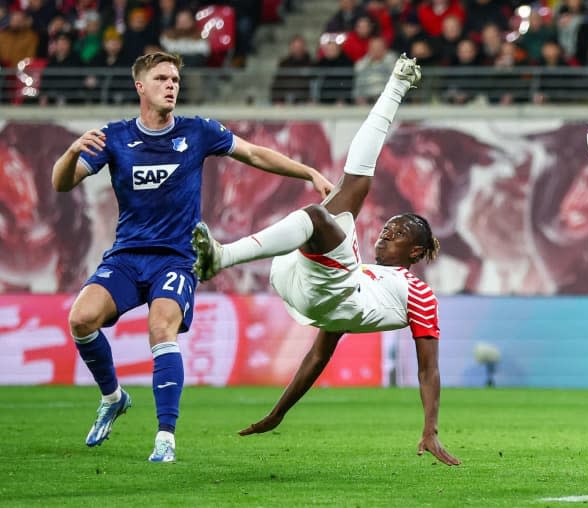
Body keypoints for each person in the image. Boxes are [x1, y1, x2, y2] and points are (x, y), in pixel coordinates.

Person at [50, 51, 334, 463]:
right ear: (140, 86)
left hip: (176, 257)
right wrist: (73, 150)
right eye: (162, 78)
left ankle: (165, 437)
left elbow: (253, 153)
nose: (171, 85)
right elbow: (62, 184)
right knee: (80, 319)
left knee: (161, 326)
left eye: (176, 80)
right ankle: (113, 397)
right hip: (127, 256)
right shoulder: (113, 138)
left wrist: (308, 171)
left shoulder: (197, 131)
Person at [191, 54, 461, 466]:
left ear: (416, 253)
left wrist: (430, 430)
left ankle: (222, 256)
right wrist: (278, 413)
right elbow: (318, 356)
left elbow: (428, 370)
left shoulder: (418, 294)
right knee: (345, 194)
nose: (386, 232)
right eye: (388, 227)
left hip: (326, 292)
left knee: (328, 208)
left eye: (399, 232)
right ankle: (397, 84)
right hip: (302, 278)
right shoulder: (365, 271)